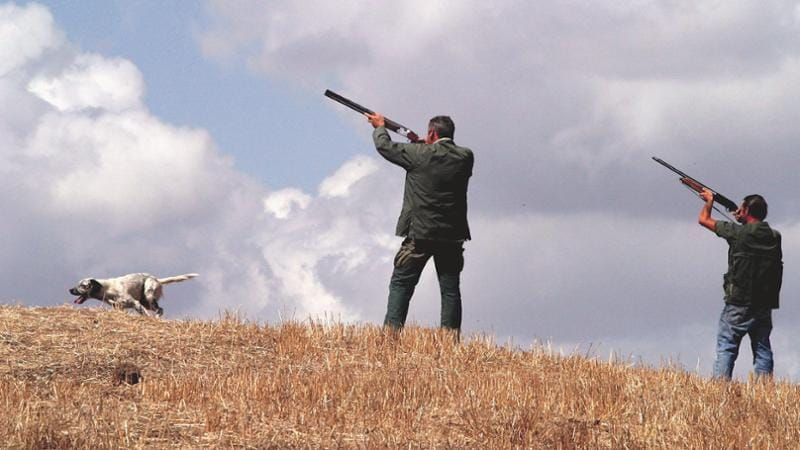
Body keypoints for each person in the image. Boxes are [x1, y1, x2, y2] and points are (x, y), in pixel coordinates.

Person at [365, 112, 473, 334]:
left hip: (419, 234)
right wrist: (426, 144)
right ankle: (450, 340)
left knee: (401, 284)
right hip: (452, 234)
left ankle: (390, 337)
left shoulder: (418, 154)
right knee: (450, 290)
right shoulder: (465, 157)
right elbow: (440, 155)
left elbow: (385, 147)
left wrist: (379, 127)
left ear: (432, 133)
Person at [697, 189, 783, 380]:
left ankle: (720, 389)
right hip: (764, 302)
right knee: (762, 347)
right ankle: (765, 391)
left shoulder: (737, 233)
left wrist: (709, 201)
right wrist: (742, 217)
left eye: (742, 208)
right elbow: (752, 233)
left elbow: (703, 219)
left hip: (739, 301)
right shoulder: (775, 237)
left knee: (727, 344)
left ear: (745, 211)